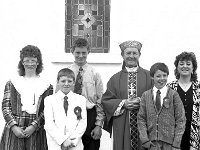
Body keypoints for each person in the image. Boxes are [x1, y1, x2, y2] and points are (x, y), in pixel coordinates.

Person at [101, 40, 153, 150]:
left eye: (135, 53)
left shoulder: (149, 76)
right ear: (122, 55)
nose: (131, 56)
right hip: (122, 123)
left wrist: (141, 101)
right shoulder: (115, 79)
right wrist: (123, 103)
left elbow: (157, 96)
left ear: (139, 55)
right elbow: (106, 101)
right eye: (128, 53)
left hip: (145, 124)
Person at [0, 45, 53, 150]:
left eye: (33, 60)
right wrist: (14, 127)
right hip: (14, 127)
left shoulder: (47, 85)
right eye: (27, 60)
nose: (30, 64)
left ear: (38, 63)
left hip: (36, 129)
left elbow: (47, 110)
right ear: (22, 62)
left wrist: (34, 126)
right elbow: (6, 107)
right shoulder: (12, 83)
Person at [137, 62, 186, 150]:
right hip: (152, 144)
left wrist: (176, 143)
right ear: (152, 77)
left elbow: (181, 120)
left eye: (164, 75)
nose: (162, 79)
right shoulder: (145, 95)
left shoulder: (174, 95)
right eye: (158, 76)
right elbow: (141, 118)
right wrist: (145, 140)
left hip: (170, 144)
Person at [68, 38, 105, 150]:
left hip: (90, 114)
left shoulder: (94, 73)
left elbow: (100, 100)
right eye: (77, 52)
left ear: (89, 52)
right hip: (70, 114)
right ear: (72, 52)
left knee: (92, 146)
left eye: (84, 53)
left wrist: (98, 124)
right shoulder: (66, 72)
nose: (80, 55)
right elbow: (58, 98)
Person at [44, 68, 87, 150]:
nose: (66, 84)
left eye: (69, 81)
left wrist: (72, 141)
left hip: (74, 144)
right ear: (58, 82)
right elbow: (49, 124)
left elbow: (82, 122)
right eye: (63, 81)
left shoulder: (80, 100)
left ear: (74, 82)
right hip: (56, 144)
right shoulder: (49, 100)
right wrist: (62, 140)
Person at [167, 51, 200, 150]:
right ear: (177, 67)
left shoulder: (198, 87)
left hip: (195, 133)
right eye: (181, 64)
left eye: (188, 64)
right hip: (174, 134)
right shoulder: (169, 87)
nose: (184, 66)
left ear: (193, 68)